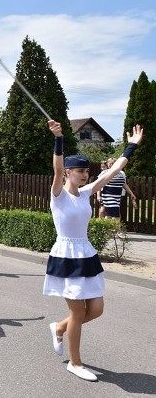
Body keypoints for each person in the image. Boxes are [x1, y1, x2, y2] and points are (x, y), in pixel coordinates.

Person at [45, 121, 143, 382]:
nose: (85, 174)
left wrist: (131, 147)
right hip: (66, 254)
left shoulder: (86, 192)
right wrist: (58, 139)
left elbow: (115, 170)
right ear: (68, 173)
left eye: (86, 170)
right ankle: (75, 363)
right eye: (79, 170)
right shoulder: (58, 195)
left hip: (85, 253)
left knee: (96, 309)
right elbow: (55, 169)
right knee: (78, 312)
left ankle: (60, 327)